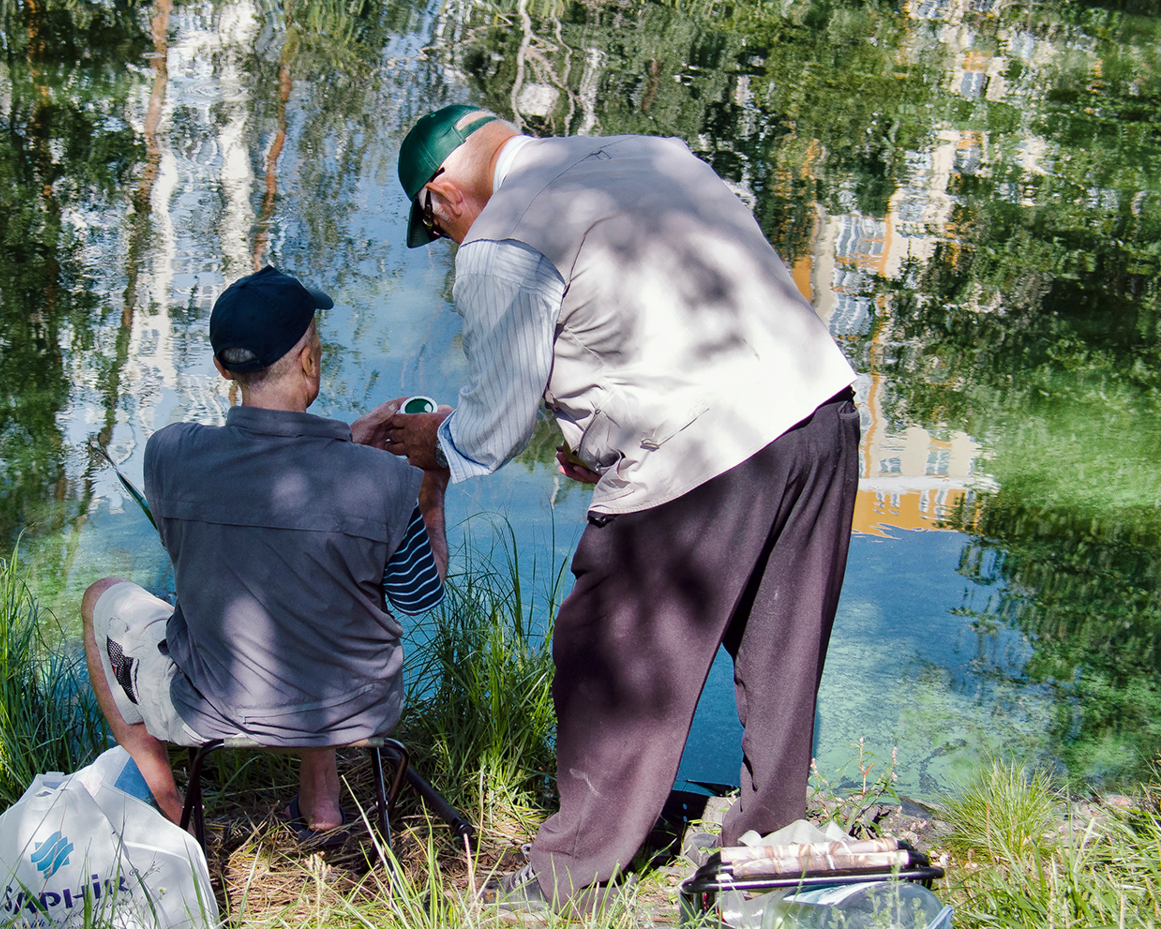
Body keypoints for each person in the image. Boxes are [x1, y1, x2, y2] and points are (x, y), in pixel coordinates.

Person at [372, 105, 861, 913]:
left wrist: (420, 440)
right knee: (783, 635)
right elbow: (656, 320)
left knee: (604, 646)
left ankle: (573, 872)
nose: (452, 241)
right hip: (818, 405)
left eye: (439, 228)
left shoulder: (500, 240)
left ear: (442, 196)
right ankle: (772, 828)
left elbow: (487, 431)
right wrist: (599, 438)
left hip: (705, 441)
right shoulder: (647, 151)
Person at [82, 266, 448, 842]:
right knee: (317, 600)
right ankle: (320, 806)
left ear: (224, 368)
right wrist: (430, 487)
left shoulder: (170, 455)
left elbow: (255, 505)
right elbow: (420, 597)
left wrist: (342, 446)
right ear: (309, 360)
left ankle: (170, 806)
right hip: (355, 710)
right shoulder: (383, 481)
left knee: (101, 596)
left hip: (212, 709)